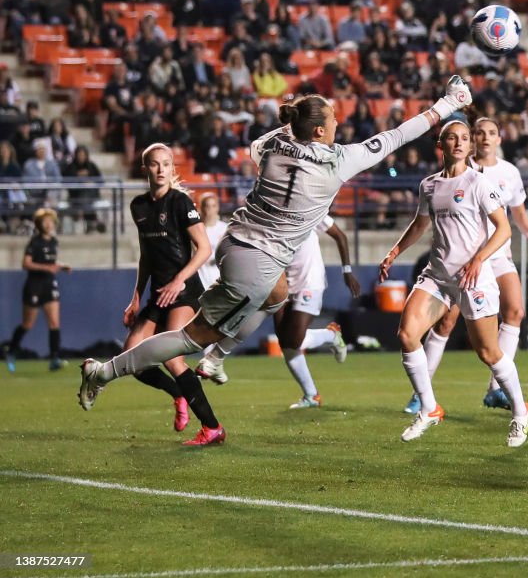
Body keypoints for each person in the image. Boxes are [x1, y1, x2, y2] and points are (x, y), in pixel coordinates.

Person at [78, 77, 475, 445]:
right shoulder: (339, 162)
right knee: (189, 339)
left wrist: (292, 123)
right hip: (256, 264)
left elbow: (269, 142)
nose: (339, 124)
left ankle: (216, 358)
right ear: (318, 130)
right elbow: (396, 136)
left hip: (235, 242)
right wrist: (449, 103)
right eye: (333, 119)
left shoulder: (271, 147)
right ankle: (105, 372)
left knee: (277, 297)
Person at [379, 120, 528, 447]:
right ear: (441, 144)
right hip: (437, 277)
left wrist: (478, 260)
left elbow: (503, 229)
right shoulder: (429, 186)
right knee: (407, 334)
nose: (460, 142)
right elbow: (419, 225)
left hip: (472, 278)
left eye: (464, 138)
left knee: (489, 353)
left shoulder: (478, 183)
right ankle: (429, 408)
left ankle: (520, 412)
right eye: (453, 137)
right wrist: (394, 251)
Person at [195, 214, 360, 407]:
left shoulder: (311, 208)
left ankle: (330, 335)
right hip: (281, 283)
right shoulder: (267, 215)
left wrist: (347, 271)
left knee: (294, 340)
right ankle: (311, 396)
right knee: (286, 344)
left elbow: (340, 235)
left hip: (309, 281)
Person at [121, 143, 220, 442]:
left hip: (185, 292)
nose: (161, 169)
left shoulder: (180, 202)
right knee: (131, 357)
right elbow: (146, 257)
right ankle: (177, 393)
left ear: (173, 169)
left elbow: (204, 249)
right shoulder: (138, 206)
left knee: (171, 356)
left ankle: (212, 427)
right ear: (145, 169)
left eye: (166, 163)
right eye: (154, 164)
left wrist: (178, 281)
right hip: (157, 294)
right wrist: (136, 295)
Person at [2, 209, 71, 373]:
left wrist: (61, 266)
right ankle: (11, 351)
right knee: (28, 323)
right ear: (40, 224)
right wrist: (48, 267)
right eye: (45, 221)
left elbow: (51, 261)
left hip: (49, 284)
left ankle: (55, 358)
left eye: (51, 221)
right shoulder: (35, 242)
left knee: (54, 322)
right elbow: (26, 263)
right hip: (34, 285)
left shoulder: (54, 241)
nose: (49, 224)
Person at [196, 193, 229, 290]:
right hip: (201, 278)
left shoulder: (225, 228)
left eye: (213, 206)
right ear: (201, 208)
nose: (210, 209)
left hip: (219, 279)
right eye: (206, 206)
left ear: (217, 208)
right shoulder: (196, 229)